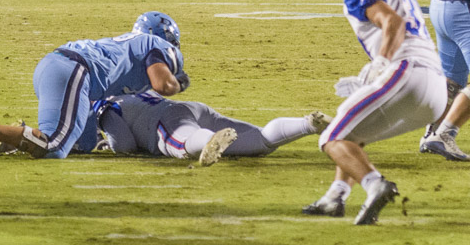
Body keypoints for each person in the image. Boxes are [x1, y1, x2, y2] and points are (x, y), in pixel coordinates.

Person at [300, 0, 445, 225]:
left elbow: (393, 22)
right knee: (351, 132)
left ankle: (374, 184)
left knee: (331, 137)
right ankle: (335, 196)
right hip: (435, 88)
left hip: (407, 71)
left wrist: (380, 62)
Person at [0, 11, 187, 160]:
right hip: (73, 72)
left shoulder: (130, 45)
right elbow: (163, 85)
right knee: (54, 147)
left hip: (58, 68)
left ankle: (15, 138)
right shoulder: (157, 45)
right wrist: (179, 82)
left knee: (83, 144)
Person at [94, 93, 331, 166]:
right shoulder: (132, 89)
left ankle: (210, 141)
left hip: (165, 122)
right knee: (260, 141)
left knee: (185, 144)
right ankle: (307, 124)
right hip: (192, 108)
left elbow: (124, 145)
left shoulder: (104, 105)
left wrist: (108, 143)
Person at [419, 0, 470, 161]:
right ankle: (445, 134)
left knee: (452, 82)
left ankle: (432, 135)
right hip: (464, 3)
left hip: (441, 2)